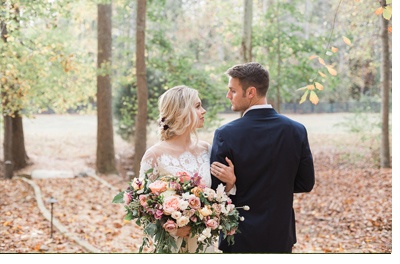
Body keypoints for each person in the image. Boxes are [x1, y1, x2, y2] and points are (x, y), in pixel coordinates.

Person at [210, 62, 315, 253]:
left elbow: (213, 191)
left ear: (250, 92)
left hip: (239, 236)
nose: (228, 96)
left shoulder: (226, 134)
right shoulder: (296, 130)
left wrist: (233, 184)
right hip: (280, 235)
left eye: (232, 90)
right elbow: (305, 183)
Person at [138, 85, 232, 253]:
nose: (203, 111)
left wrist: (230, 182)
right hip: (170, 247)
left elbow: (218, 199)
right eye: (197, 106)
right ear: (180, 112)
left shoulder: (206, 149)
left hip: (204, 244)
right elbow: (142, 207)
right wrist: (172, 228)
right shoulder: (154, 155)